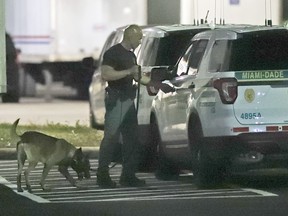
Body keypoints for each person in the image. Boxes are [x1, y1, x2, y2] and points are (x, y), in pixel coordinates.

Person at [96, 24, 147, 188]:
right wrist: (128, 72)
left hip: (128, 100)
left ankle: (128, 176)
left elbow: (137, 76)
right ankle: (102, 176)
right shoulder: (113, 53)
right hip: (116, 100)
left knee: (132, 139)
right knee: (110, 138)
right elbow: (105, 74)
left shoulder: (131, 55)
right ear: (130, 35)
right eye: (139, 38)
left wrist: (157, 84)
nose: (140, 41)